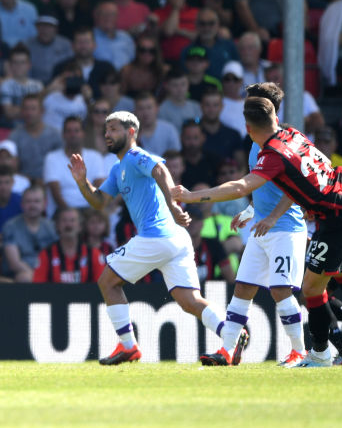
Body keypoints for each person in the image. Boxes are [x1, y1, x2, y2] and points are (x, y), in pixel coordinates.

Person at [171, 96, 342, 367]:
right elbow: (317, 169)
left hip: (333, 214)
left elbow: (240, 188)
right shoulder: (291, 133)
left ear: (249, 128)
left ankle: (320, 352)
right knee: (338, 271)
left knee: (310, 289)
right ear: (275, 118)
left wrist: (192, 196)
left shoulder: (271, 155)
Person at [70, 110, 234, 365]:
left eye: (113, 129)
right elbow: (99, 202)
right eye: (106, 130)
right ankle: (232, 335)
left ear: (131, 132)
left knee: (107, 282)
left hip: (156, 237)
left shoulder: (136, 155)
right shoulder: (118, 168)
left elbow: (159, 169)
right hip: (175, 240)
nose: (107, 134)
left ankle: (128, 347)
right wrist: (82, 182)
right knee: (189, 301)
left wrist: (173, 205)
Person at [212, 82, 309, 367]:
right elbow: (264, 185)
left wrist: (272, 217)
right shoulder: (256, 144)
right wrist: (250, 211)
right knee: (242, 287)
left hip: (285, 229)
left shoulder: (286, 142)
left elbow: (297, 188)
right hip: (261, 227)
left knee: (280, 290)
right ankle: (226, 350)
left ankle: (299, 352)